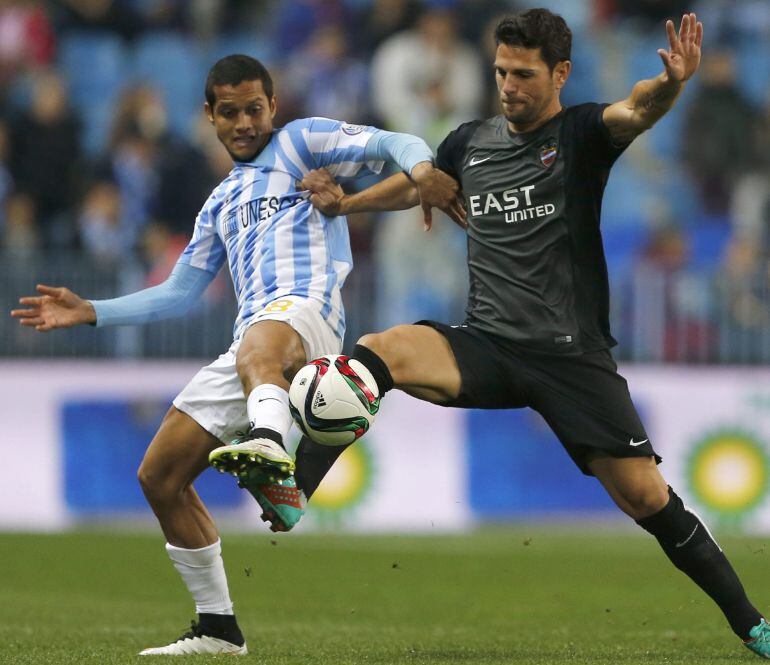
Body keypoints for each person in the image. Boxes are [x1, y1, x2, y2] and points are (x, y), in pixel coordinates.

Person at [269, 9, 770, 659]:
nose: (508, 84)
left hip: (571, 357)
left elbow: (638, 110)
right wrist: (349, 204)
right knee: (381, 349)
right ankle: (293, 490)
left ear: (559, 72)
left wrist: (672, 83)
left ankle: (752, 624)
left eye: (524, 73)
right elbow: (422, 183)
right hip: (490, 344)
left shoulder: (583, 133)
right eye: (501, 70)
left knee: (647, 496)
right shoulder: (472, 141)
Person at [10, 54, 462, 656]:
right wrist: (92, 310)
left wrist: (425, 168)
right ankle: (219, 627)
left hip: (306, 315)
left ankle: (273, 450)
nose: (245, 122)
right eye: (231, 112)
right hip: (254, 344)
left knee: (259, 345)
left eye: (255, 109)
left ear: (273, 107)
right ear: (210, 115)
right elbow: (179, 292)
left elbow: (394, 140)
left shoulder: (302, 144)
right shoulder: (220, 201)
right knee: (160, 477)